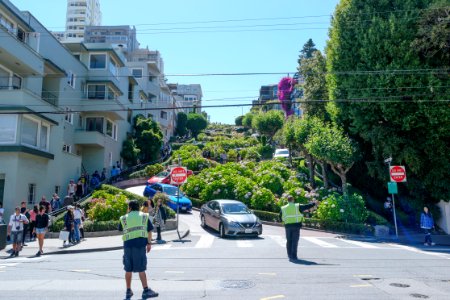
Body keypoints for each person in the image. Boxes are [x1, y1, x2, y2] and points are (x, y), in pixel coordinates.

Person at [119, 200, 158, 299]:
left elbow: (120, 229)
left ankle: (128, 290)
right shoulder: (144, 216)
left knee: (128, 269)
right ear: (138, 207)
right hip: (140, 246)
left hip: (128, 246)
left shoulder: (123, 218)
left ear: (129, 208)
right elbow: (149, 231)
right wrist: (149, 243)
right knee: (141, 268)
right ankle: (146, 290)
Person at [280, 196, 317, 261]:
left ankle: (289, 255)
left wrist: (283, 221)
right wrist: (314, 203)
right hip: (296, 226)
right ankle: (294, 256)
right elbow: (306, 206)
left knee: (289, 241)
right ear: (293, 200)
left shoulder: (283, 208)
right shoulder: (297, 206)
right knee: (295, 241)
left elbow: (280, 216)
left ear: (287, 200)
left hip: (288, 226)